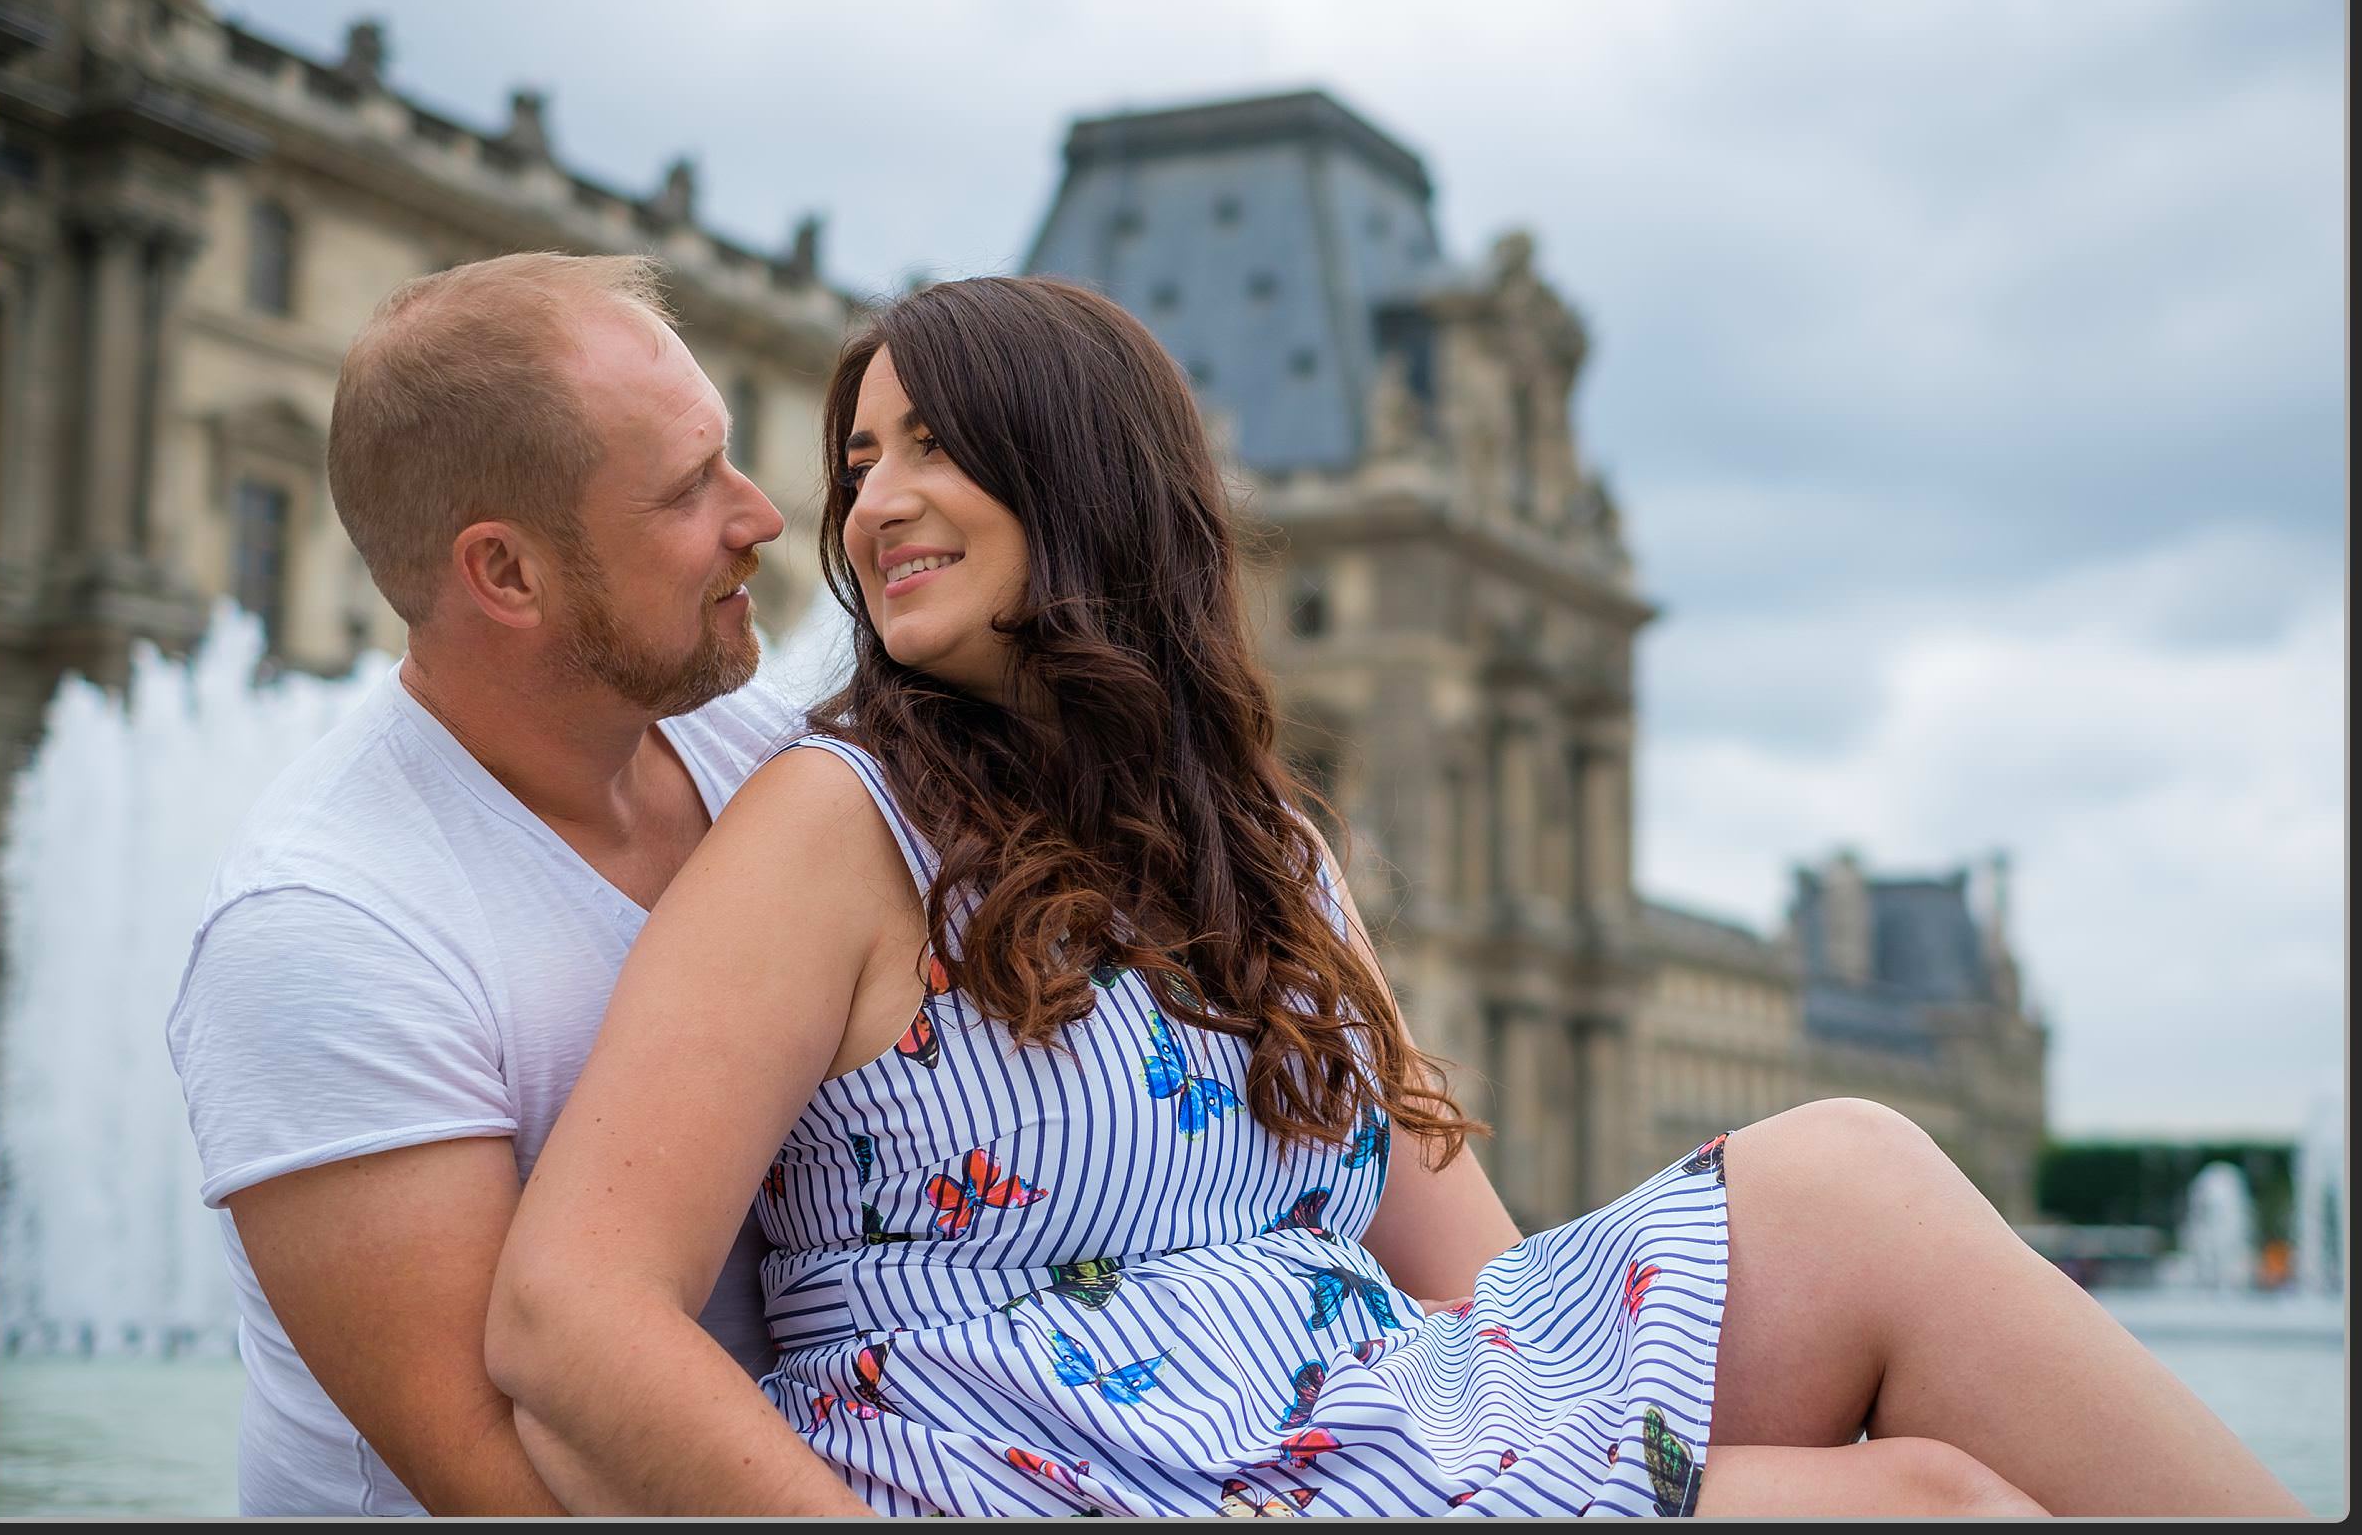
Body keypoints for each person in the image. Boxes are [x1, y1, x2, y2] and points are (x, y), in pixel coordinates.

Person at [486, 276, 2309, 1518]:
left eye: (934, 446)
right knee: (1926, 1503)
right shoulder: (839, 821)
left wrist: (1626, 1451)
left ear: (1089, 484)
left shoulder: (1261, 854)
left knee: (1851, 1170)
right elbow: (569, 1318)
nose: (872, 501)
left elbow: (1494, 1290)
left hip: (1352, 1427)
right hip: (1070, 1473)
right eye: (859, 459)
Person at [165, 252, 802, 1515]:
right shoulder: (323, 931)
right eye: (686, 491)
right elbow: (497, 1476)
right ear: (505, 573)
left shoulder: (768, 754)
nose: (760, 516)